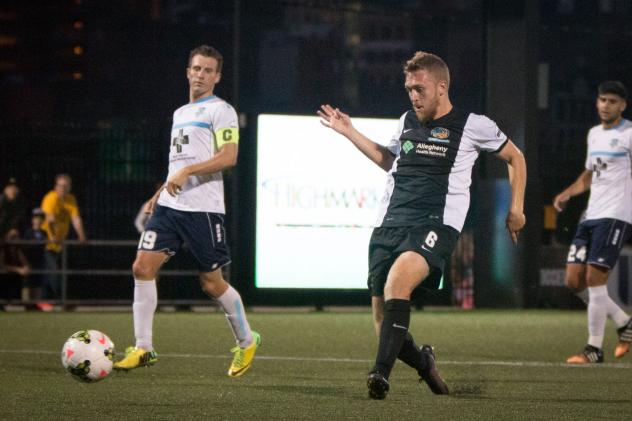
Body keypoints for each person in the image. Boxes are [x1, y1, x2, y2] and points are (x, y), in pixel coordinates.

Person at [318, 51, 526, 399]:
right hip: (389, 222)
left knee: (398, 282)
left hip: (435, 223)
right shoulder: (405, 121)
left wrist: (516, 208)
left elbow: (515, 157)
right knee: (384, 324)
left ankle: (379, 375)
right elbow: (390, 161)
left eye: (419, 88)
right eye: (409, 89)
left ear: (441, 87)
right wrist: (349, 131)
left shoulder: (473, 124)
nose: (413, 96)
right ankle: (424, 363)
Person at [113, 45, 260, 377]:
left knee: (211, 283)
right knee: (141, 267)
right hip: (170, 206)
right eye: (196, 68)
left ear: (217, 77)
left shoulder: (222, 111)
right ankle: (143, 347)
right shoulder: (180, 113)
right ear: (187, 71)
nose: (201, 74)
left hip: (203, 210)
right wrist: (158, 192)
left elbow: (229, 157)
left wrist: (188, 172)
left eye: (208, 70)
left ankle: (247, 340)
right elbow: (177, 162)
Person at [553, 80, 632, 364]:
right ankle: (624, 321)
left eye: (612, 101)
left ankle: (593, 350)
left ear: (622, 105)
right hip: (591, 214)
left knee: (594, 280)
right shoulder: (594, 134)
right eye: (602, 100)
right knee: (574, 280)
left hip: (615, 215)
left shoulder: (629, 134)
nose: (606, 105)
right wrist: (567, 193)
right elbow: (589, 174)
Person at [40, 174, 87, 300]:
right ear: (55, 186)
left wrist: (81, 236)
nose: (63, 188)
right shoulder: (50, 198)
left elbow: (76, 219)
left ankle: (51, 301)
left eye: (65, 186)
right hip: (47, 241)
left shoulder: (70, 199)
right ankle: (57, 300)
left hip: (60, 243)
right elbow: (49, 219)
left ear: (69, 187)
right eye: (60, 186)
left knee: (56, 271)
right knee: (52, 271)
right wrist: (53, 237)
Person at [23, 208, 48, 307]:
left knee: (38, 283)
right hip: (29, 261)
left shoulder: (44, 233)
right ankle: (27, 304)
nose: (38, 220)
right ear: (32, 219)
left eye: (41, 218)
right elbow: (24, 248)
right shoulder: (28, 232)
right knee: (28, 284)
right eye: (36, 218)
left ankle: (36, 305)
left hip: (39, 261)